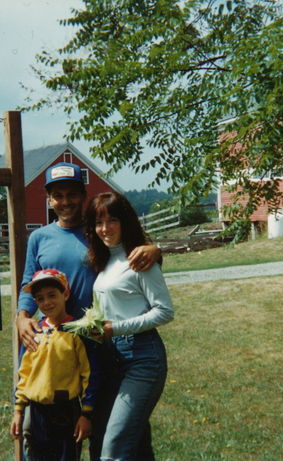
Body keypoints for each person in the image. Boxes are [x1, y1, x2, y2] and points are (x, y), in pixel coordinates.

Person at [15, 161, 161, 459]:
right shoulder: (39, 238)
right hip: (57, 348)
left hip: (100, 343)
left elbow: (132, 256)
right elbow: (27, 284)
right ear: (49, 200)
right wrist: (21, 317)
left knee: (111, 427)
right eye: (58, 195)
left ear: (83, 195)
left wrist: (156, 250)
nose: (65, 201)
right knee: (49, 432)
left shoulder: (98, 232)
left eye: (71, 194)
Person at [84, 191, 175, 461]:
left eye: (112, 220)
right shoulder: (104, 261)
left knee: (115, 446)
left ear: (125, 222)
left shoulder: (139, 260)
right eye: (99, 223)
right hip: (111, 358)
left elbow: (165, 312)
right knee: (135, 446)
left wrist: (116, 328)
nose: (105, 229)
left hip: (143, 359)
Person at [10, 268, 101, 461]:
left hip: (66, 411)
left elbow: (90, 375)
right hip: (36, 411)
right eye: (40, 299)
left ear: (66, 294)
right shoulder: (34, 333)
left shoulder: (78, 332)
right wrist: (18, 411)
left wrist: (87, 414)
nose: (47, 302)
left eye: (52, 295)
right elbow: (24, 374)